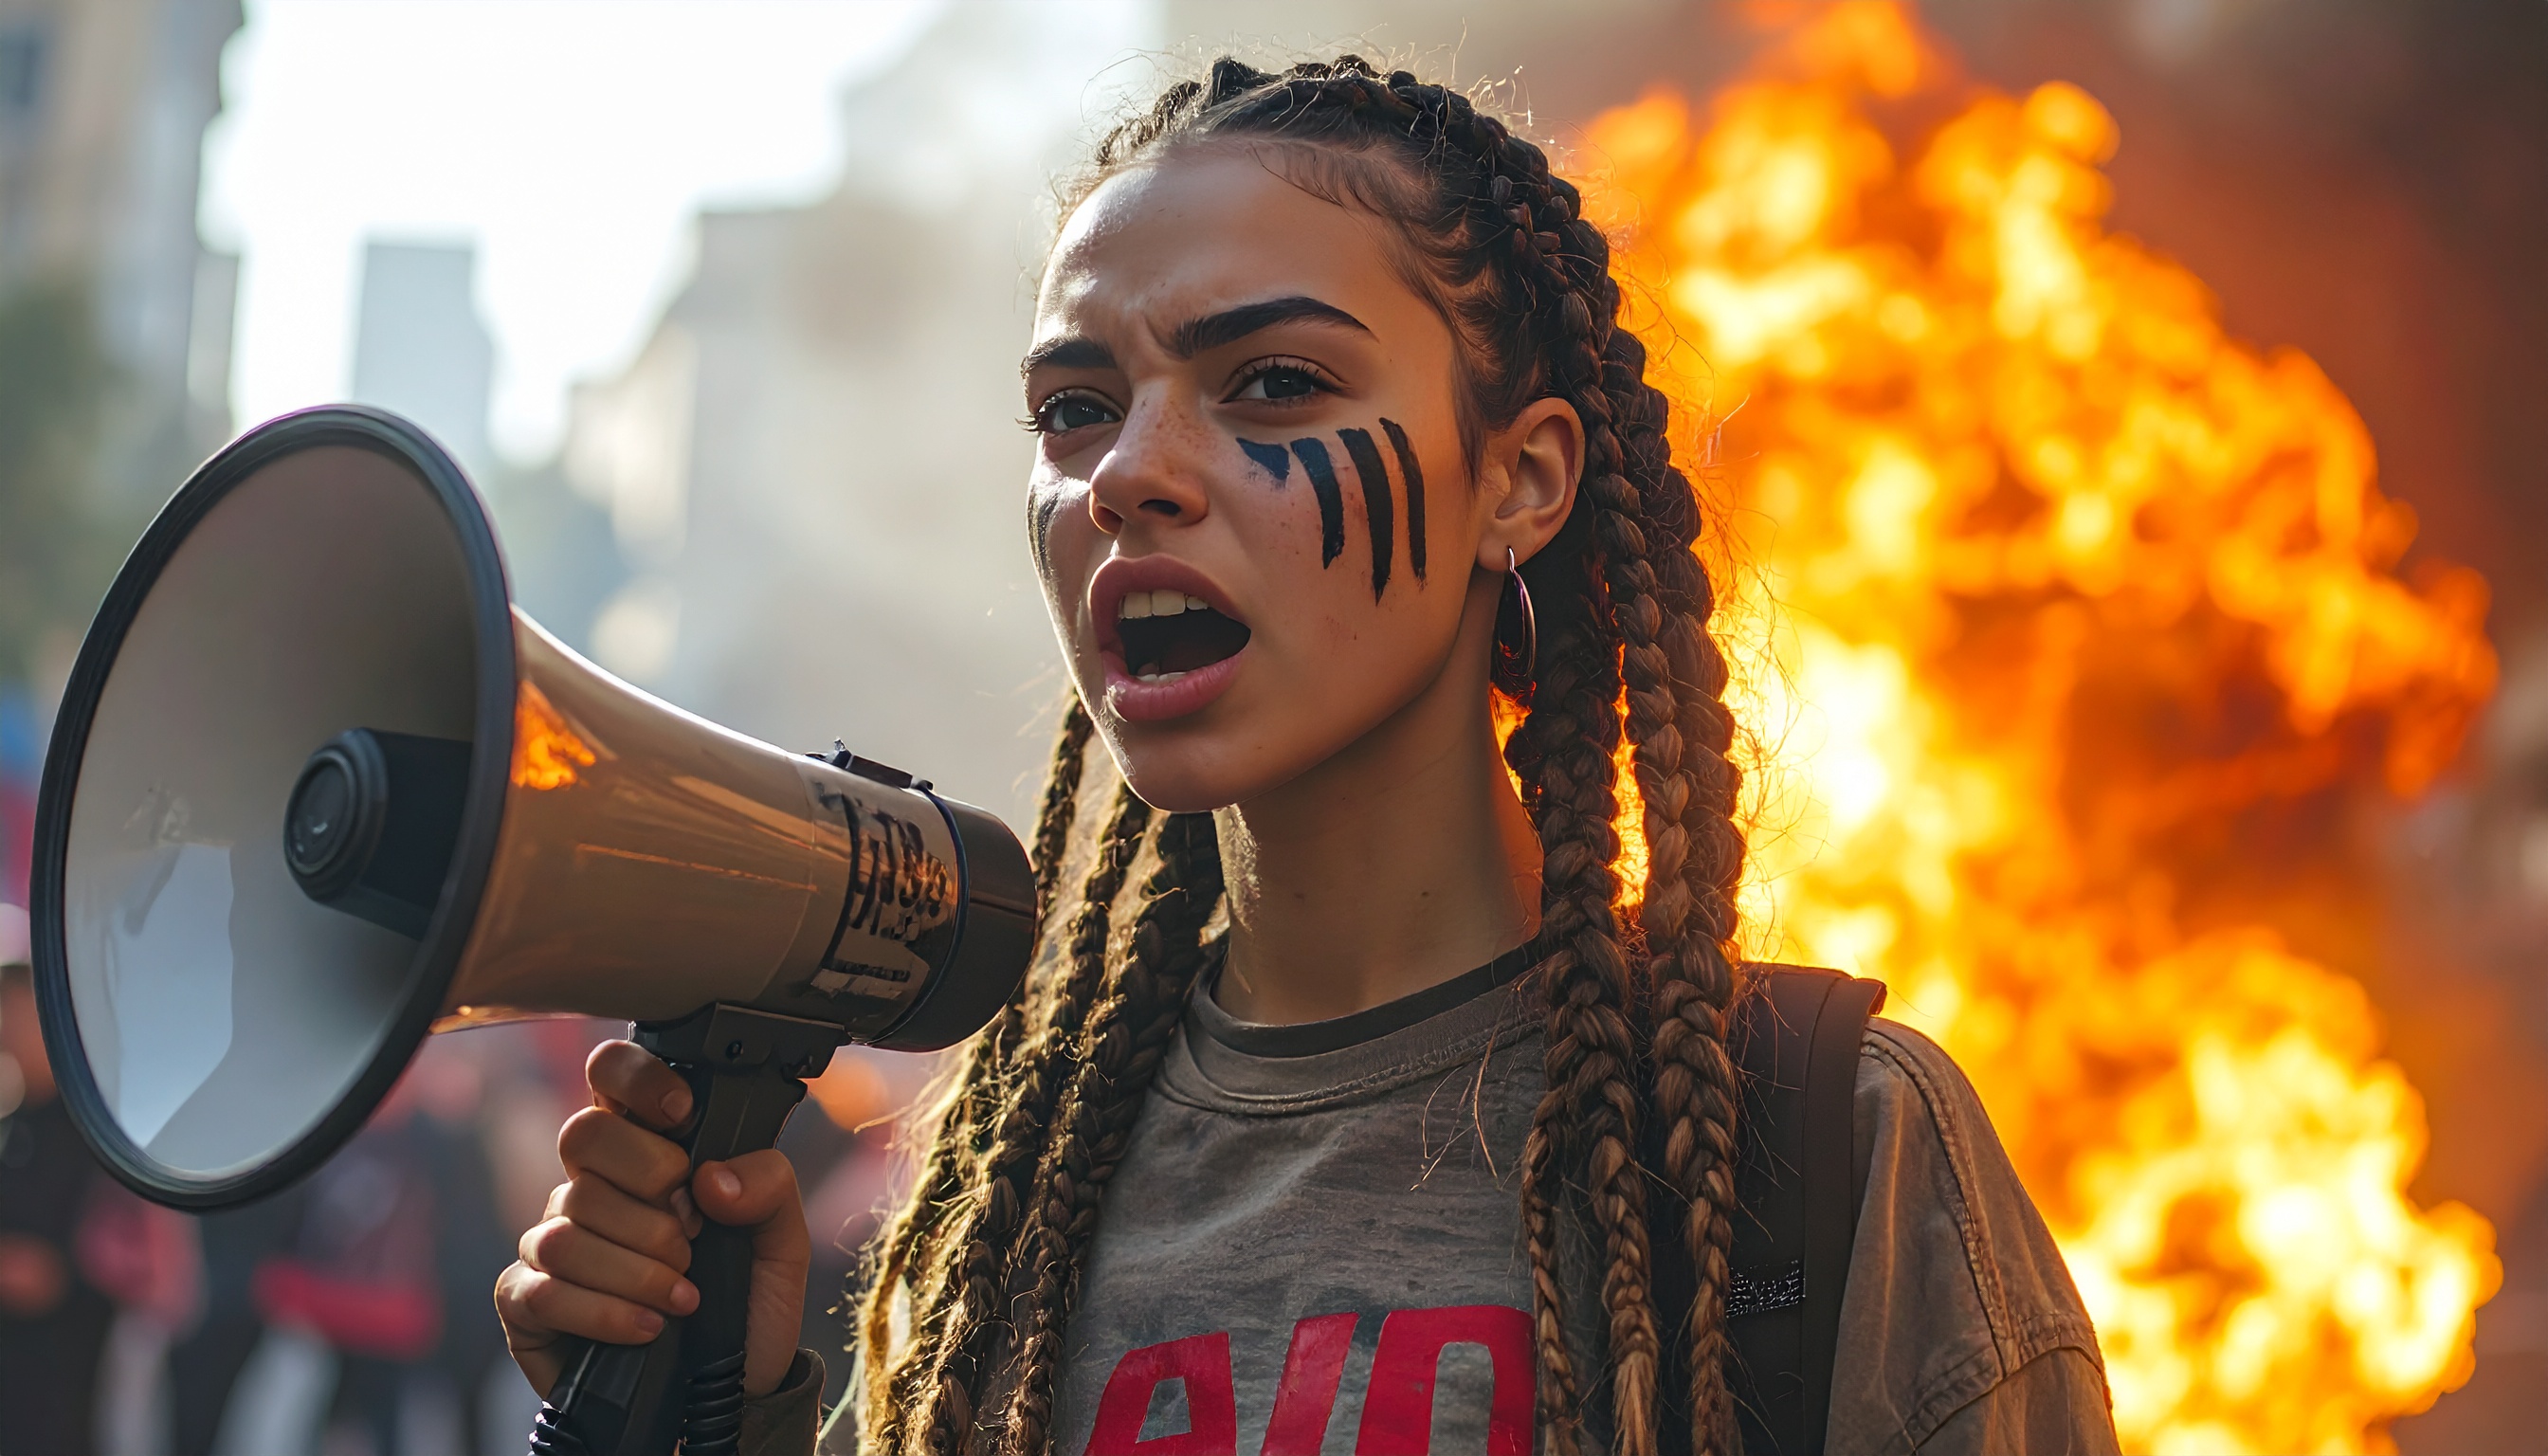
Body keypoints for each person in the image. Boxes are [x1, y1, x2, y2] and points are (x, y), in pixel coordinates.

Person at [494, 57, 2121, 1456]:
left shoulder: (1819, 1147)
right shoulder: (1016, 1184)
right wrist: (726, 1406)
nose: (1127, 474)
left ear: (1523, 480)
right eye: (1074, 408)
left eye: (1273, 383)